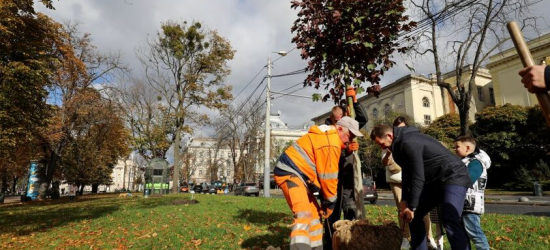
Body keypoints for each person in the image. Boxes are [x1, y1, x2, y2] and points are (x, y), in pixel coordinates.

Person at [370, 124, 471, 250]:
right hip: (435, 181)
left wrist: (412, 206)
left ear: (389, 136)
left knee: (450, 218)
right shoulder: (398, 147)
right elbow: (407, 174)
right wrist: (405, 202)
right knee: (414, 216)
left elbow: (418, 176)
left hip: (454, 176)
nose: (382, 147)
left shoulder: (409, 142)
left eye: (381, 143)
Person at [275, 116, 363, 250]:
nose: (350, 140)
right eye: (349, 136)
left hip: (299, 176)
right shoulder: (331, 143)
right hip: (289, 174)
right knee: (303, 214)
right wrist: (329, 205)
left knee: (315, 216)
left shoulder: (329, 136)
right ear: (339, 129)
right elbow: (329, 179)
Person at [382, 117, 438, 250]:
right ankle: (405, 237)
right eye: (398, 127)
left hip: (413, 179)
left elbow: (415, 164)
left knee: (420, 209)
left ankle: (428, 236)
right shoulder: (387, 142)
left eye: (402, 127)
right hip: (396, 180)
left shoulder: (411, 140)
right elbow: (386, 163)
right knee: (403, 210)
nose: (400, 130)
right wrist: (390, 153)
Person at [323, 88, 367, 249]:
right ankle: (329, 244)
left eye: (343, 119)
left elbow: (363, 119)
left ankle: (350, 242)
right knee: (332, 214)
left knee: (350, 209)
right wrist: (345, 151)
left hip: (348, 177)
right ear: (331, 119)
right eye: (337, 120)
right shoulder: (327, 131)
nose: (341, 123)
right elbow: (328, 154)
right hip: (332, 179)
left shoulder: (349, 125)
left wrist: (355, 102)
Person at [454, 136, 491, 250]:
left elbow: (468, 179)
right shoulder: (465, 161)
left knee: (475, 233)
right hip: (464, 204)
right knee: (463, 235)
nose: (454, 149)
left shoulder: (475, 163)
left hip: (470, 205)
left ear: (468, 147)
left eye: (457, 146)